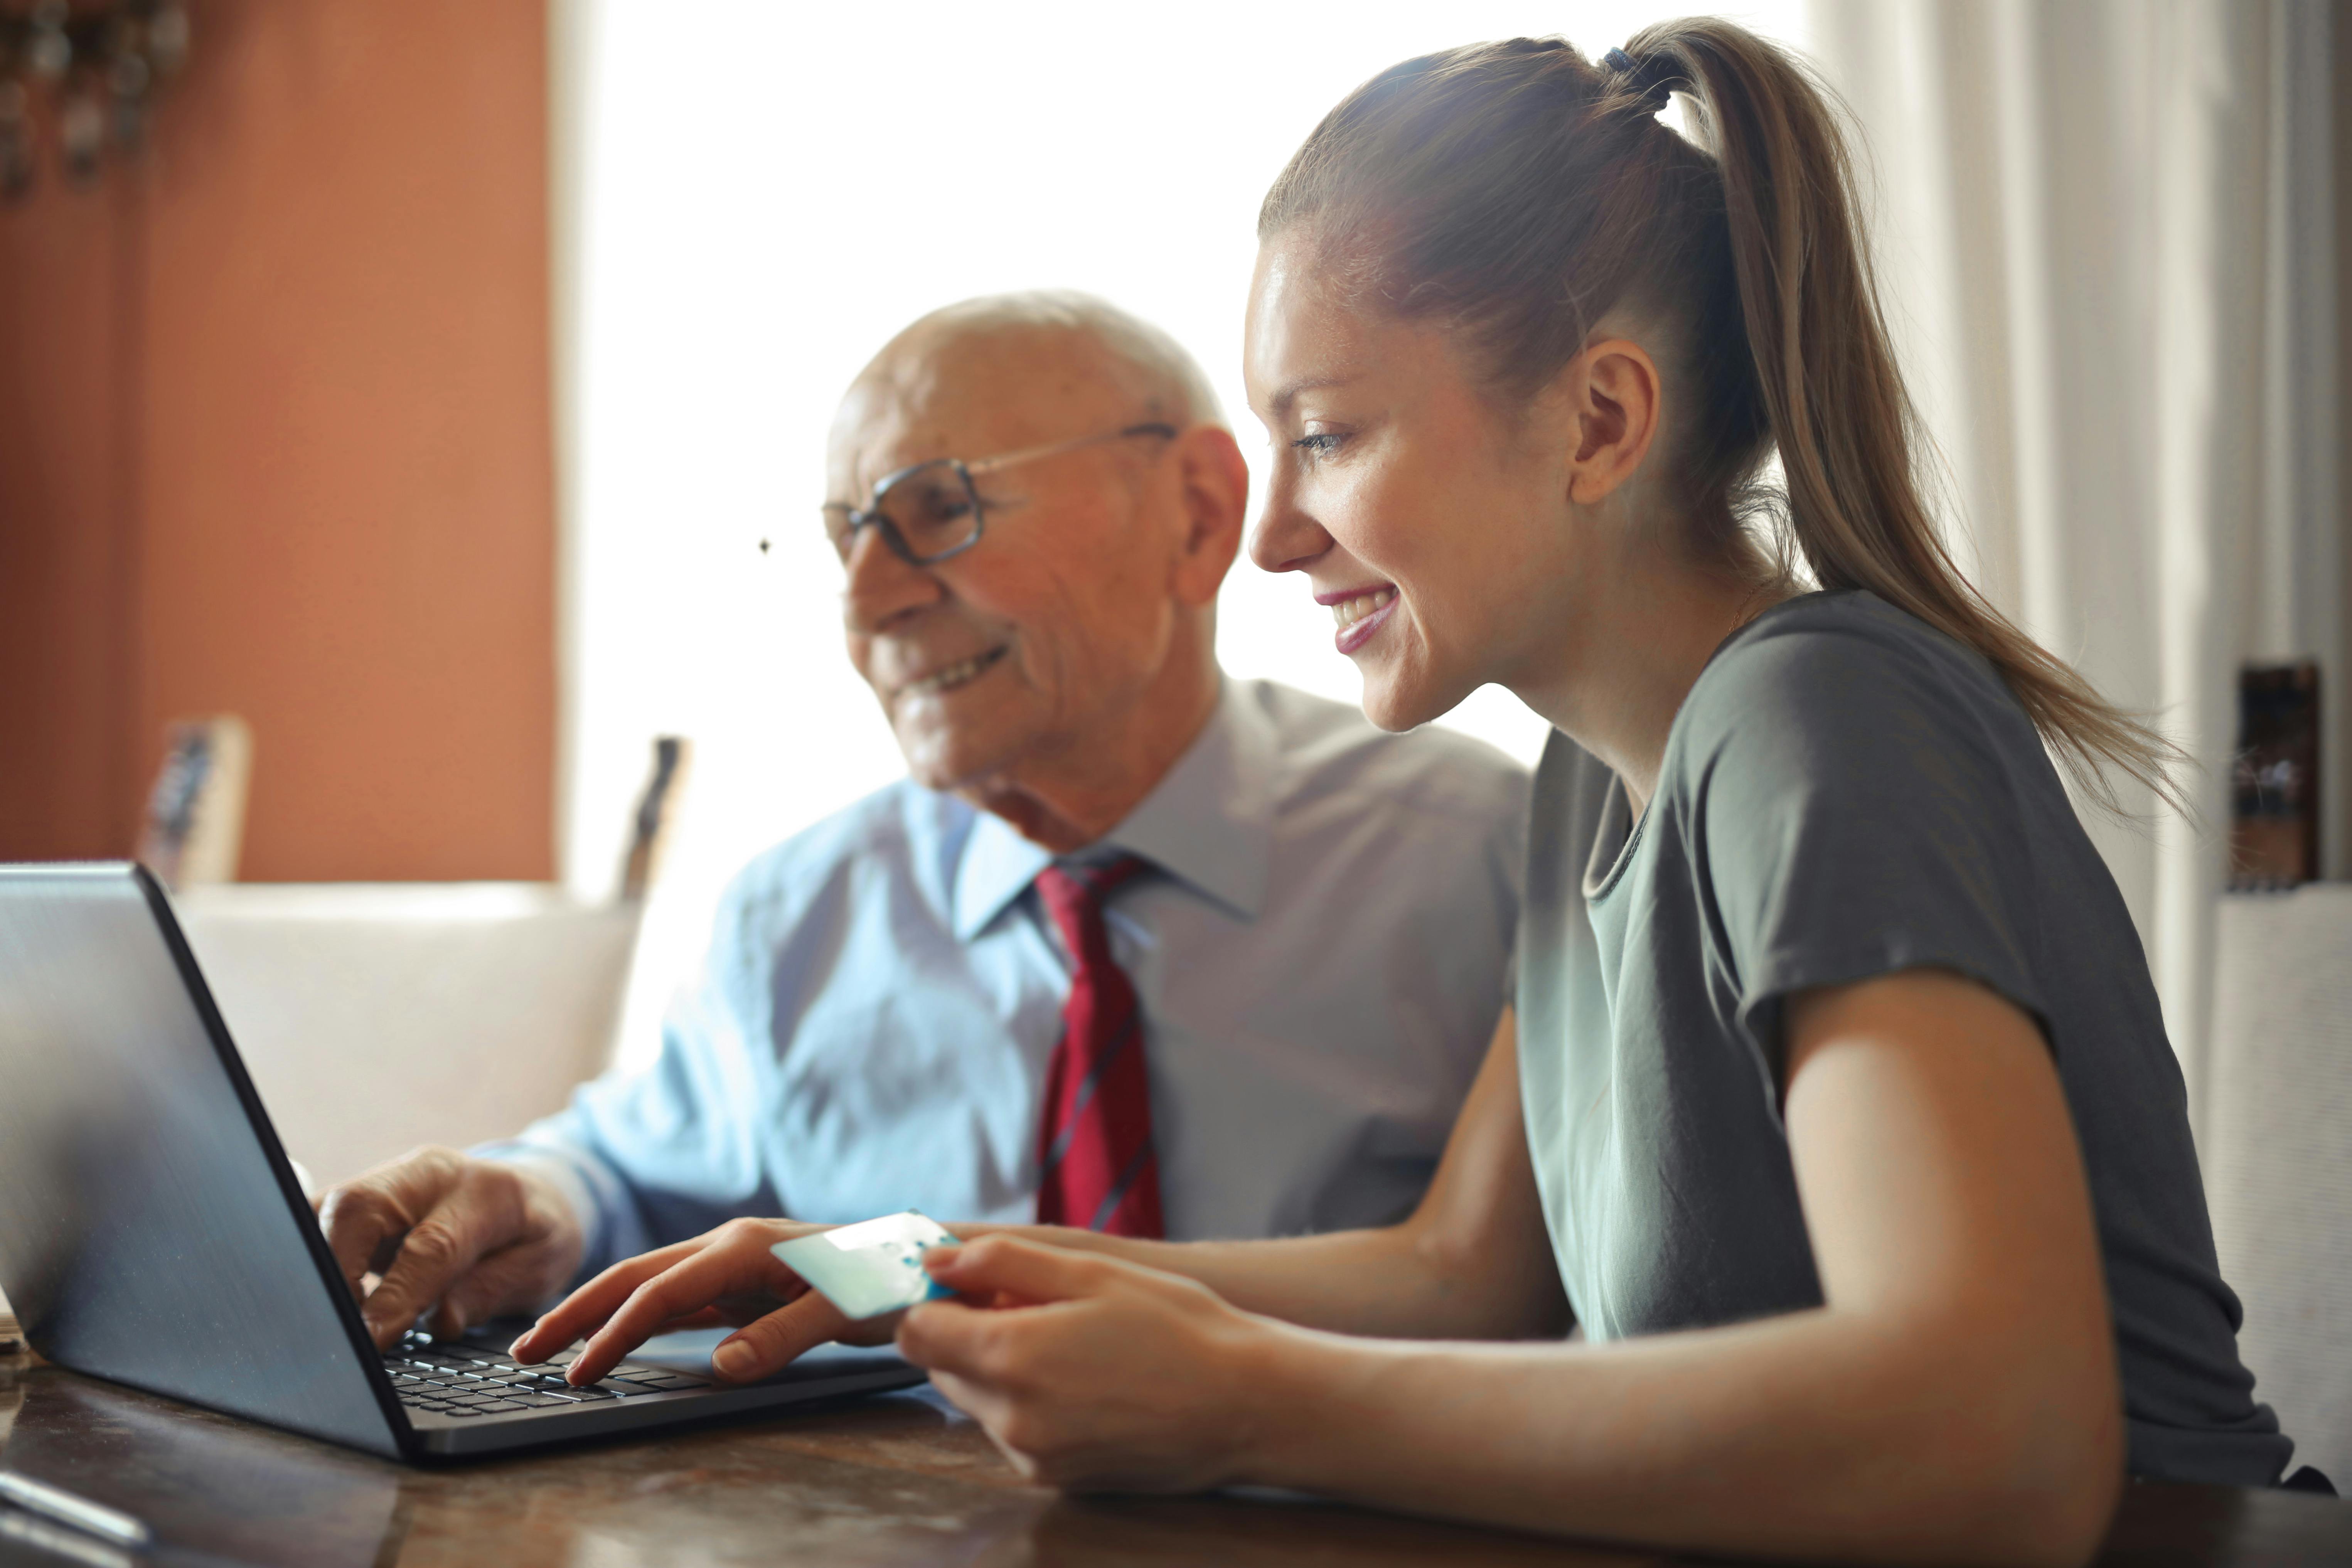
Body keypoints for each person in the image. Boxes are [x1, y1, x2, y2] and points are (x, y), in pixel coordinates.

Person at [513, 21, 2313, 1568]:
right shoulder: (1588, 791)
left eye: (1329, 433)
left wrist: (1238, 1402)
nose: (1279, 533)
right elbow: (1467, 1274)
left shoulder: (1813, 720)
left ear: (1601, 423)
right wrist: (903, 1266)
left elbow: (1996, 1439)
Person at [315, 292, 1527, 1358]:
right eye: (847, 535)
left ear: (1199, 513)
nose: (867, 603)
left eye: (936, 509)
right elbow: (632, 1171)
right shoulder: (798, 911)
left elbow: (1528, 1294)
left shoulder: (1481, 855)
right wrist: (535, 1198)